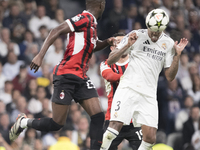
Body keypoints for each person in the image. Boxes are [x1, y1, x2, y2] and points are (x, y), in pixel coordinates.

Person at [9, 0, 116, 150]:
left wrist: (106, 42)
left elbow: (93, 45)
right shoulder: (84, 18)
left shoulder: (92, 24)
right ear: (100, 5)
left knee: (98, 116)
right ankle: (23, 122)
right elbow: (56, 30)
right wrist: (40, 55)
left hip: (81, 77)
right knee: (56, 124)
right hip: (67, 75)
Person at [100, 9, 188, 150]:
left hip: (148, 95)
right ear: (147, 25)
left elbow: (170, 77)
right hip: (128, 88)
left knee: (150, 138)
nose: (154, 34)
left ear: (163, 29)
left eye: (158, 32)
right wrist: (128, 45)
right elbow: (110, 60)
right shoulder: (135, 35)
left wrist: (177, 55)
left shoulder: (169, 43)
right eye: (152, 30)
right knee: (113, 129)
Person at [100, 33, 142, 150]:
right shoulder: (105, 64)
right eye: (119, 42)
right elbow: (110, 76)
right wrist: (129, 78)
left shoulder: (136, 62)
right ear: (112, 48)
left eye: (125, 41)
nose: (123, 44)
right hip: (113, 118)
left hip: (134, 119)